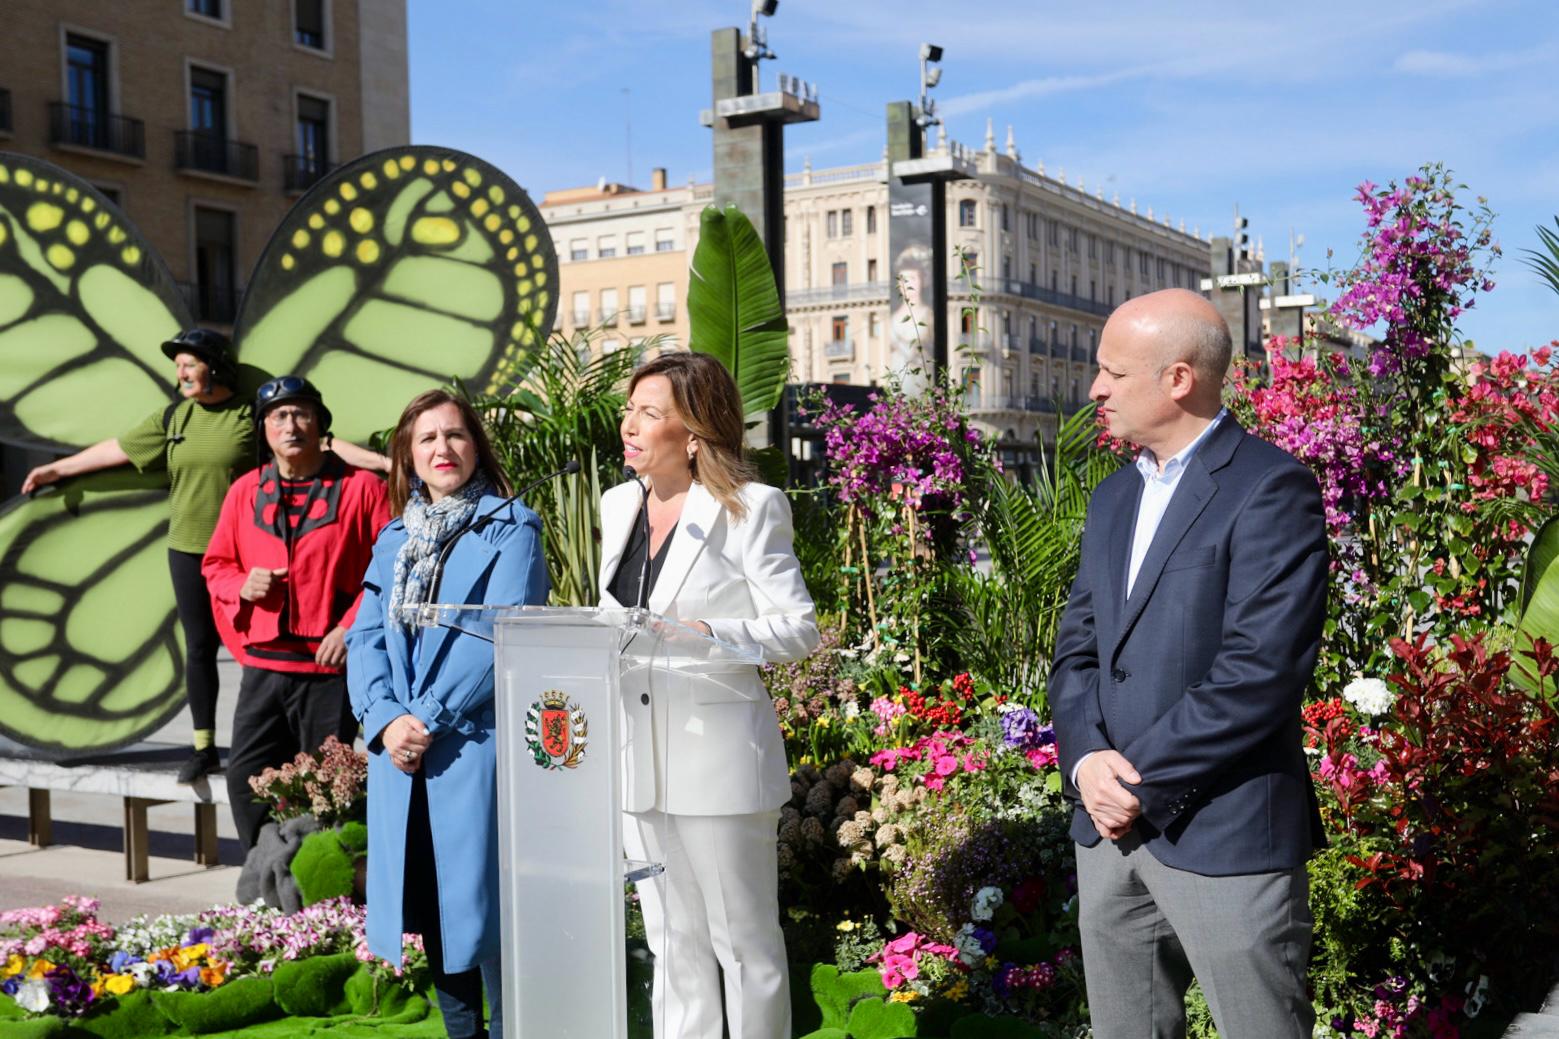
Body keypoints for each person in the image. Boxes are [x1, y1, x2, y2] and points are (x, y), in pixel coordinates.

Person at [1049, 288, 1329, 1038]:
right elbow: (1076, 649)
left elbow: (1259, 671)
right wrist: (1084, 764)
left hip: (1223, 830)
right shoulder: (1112, 497)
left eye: (1111, 372)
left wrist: (1135, 782)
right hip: (1108, 834)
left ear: (1178, 379)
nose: (1094, 390)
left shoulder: (1270, 488)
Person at [20, 331, 388, 784]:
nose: (180, 373)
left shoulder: (249, 414)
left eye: (188, 364)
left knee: (262, 643)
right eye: (178, 367)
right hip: (191, 546)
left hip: (250, 543)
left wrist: (382, 464)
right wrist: (61, 467)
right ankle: (202, 746)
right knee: (198, 648)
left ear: (215, 366)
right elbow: (121, 448)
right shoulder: (175, 417)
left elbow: (317, 443)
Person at [600, 351, 820, 1039]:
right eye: (629, 408)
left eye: (649, 412)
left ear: (692, 433)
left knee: (742, 943)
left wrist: (705, 632)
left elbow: (799, 629)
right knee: (672, 942)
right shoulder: (617, 504)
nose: (629, 424)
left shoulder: (749, 508)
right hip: (638, 763)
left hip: (719, 763)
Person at [346, 389, 548, 1039]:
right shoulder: (393, 537)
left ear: (476, 445)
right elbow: (366, 636)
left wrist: (425, 715)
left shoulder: (512, 525)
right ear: (407, 453)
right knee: (433, 906)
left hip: (470, 745)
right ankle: (463, 1032)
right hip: (401, 751)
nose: (443, 448)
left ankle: (515, 1026)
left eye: (456, 435)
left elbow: (499, 633)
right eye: (427, 437)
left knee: (482, 904)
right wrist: (383, 719)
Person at [202, 376, 390, 849]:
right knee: (247, 776)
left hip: (329, 668)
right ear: (264, 429)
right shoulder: (244, 490)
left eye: (301, 413)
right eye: (279, 416)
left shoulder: (362, 488)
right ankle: (270, 871)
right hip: (264, 665)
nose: (291, 424)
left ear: (321, 425)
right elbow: (215, 564)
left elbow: (390, 568)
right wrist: (242, 585)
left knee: (327, 787)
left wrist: (351, 627)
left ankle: (325, 892)